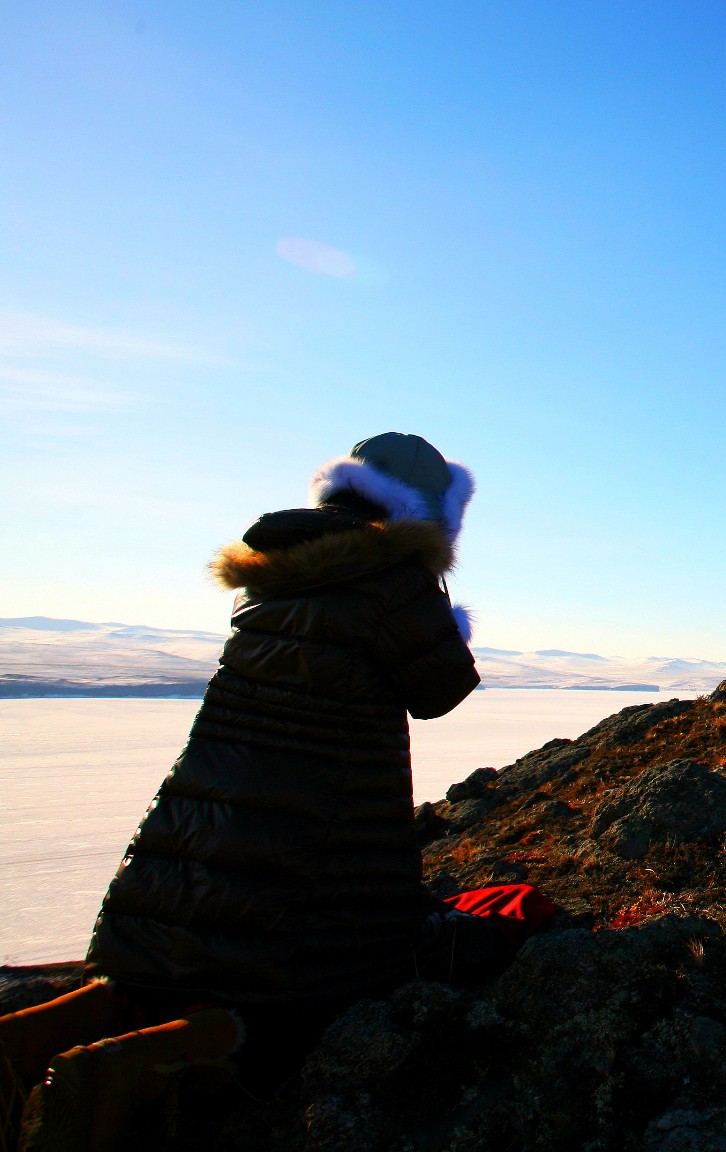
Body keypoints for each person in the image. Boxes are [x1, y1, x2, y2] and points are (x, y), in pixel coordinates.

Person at [0, 434, 482, 1152]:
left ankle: (23, 1039)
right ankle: (131, 1070)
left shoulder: (276, 571)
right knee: (309, 1000)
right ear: (426, 513)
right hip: (312, 846)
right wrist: (441, 608)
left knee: (167, 968)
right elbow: (440, 688)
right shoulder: (392, 580)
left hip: (199, 830)